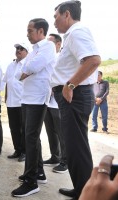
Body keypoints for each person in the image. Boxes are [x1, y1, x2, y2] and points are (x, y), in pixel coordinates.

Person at [51, 1, 101, 199]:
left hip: (75, 96)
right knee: (76, 146)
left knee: (75, 148)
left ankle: (86, 193)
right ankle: (82, 188)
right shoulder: (72, 34)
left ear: (67, 14)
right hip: (73, 97)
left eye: (56, 16)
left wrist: (70, 84)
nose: (54, 21)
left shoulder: (77, 31)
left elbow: (93, 60)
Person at [11, 18, 56, 198]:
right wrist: (27, 70)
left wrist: (27, 69)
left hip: (38, 98)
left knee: (30, 137)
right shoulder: (35, 51)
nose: (27, 34)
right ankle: (39, 172)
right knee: (32, 137)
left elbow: (32, 66)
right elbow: (17, 74)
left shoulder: (48, 47)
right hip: (27, 98)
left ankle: (31, 182)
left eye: (30, 30)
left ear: (40, 31)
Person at [43, 33, 68, 174]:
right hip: (47, 101)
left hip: (58, 102)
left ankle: (65, 161)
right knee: (50, 131)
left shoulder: (62, 58)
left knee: (62, 133)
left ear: (58, 44)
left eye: (51, 42)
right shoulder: (48, 59)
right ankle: (55, 156)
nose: (48, 45)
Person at [3, 42, 28, 162]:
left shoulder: (28, 64)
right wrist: (6, 95)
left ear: (26, 52)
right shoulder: (10, 65)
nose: (18, 50)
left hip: (22, 101)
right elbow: (7, 81)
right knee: (13, 127)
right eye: (17, 48)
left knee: (23, 128)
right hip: (11, 101)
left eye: (21, 48)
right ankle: (17, 150)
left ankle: (24, 151)